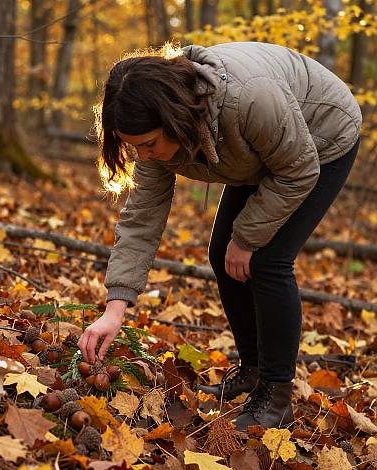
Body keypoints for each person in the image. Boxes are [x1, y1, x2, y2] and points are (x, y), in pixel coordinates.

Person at [77, 41, 362, 431]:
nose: (142, 155)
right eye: (133, 146)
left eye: (148, 145)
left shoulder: (249, 99)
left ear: (175, 119)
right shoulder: (157, 136)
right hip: (258, 150)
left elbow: (297, 170)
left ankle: (277, 397)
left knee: (266, 260)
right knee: (221, 255)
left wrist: (246, 239)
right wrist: (115, 308)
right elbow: (142, 216)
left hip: (319, 141)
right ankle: (253, 371)